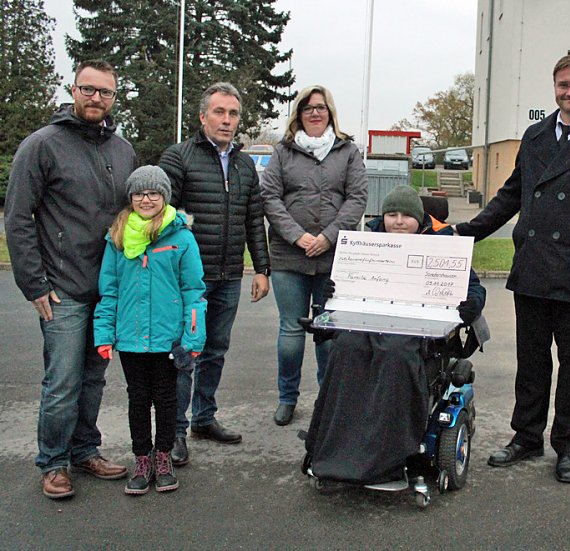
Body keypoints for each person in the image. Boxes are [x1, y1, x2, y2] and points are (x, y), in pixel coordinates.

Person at [455, 52, 570, 483]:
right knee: (532, 362)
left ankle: (567, 444)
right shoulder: (536, 135)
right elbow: (510, 196)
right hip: (535, 269)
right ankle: (526, 436)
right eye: (563, 85)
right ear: (554, 88)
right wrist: (465, 232)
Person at [5, 60, 137, 499]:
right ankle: (54, 461)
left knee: (94, 378)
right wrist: (34, 284)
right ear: (73, 89)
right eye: (88, 89)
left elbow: (131, 217)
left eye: (105, 92)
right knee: (62, 380)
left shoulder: (122, 150)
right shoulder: (41, 146)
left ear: (114, 98)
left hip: (107, 291)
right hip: (61, 290)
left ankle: (85, 449)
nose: (96, 98)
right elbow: (18, 216)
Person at [304, 185, 486, 484]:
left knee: (395, 354)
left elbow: (474, 287)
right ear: (383, 217)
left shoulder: (443, 244)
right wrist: (331, 295)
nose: (398, 221)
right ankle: (333, 447)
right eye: (391, 215)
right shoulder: (366, 244)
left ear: (420, 219)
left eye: (406, 216)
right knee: (347, 348)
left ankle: (390, 454)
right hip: (370, 322)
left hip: (420, 329)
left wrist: (472, 302)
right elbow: (342, 286)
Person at [159, 82, 271, 465]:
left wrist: (261, 268)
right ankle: (173, 430)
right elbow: (159, 211)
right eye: (219, 112)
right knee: (184, 353)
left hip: (229, 276)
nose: (226, 120)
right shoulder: (178, 157)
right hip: (188, 280)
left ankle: (204, 418)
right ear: (203, 116)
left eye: (233, 114)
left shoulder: (244, 165)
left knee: (215, 350)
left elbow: (254, 218)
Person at [94, 166, 207, 495]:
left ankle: (163, 457)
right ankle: (141, 459)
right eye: (139, 193)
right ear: (130, 198)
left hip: (167, 339)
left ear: (165, 196)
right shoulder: (116, 237)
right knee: (138, 400)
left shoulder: (181, 237)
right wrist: (104, 334)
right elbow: (109, 290)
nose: (146, 199)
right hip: (130, 338)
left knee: (167, 399)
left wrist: (193, 336)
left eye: (154, 193)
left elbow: (193, 292)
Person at [260, 84, 368, 426]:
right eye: (308, 108)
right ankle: (287, 398)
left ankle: (329, 398)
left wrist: (328, 237)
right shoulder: (282, 152)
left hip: (334, 256)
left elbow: (357, 198)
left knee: (328, 333)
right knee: (291, 333)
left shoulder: (348, 151)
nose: (315, 113)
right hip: (289, 257)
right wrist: (299, 237)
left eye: (321, 107)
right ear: (299, 114)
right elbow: (270, 198)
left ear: (330, 112)